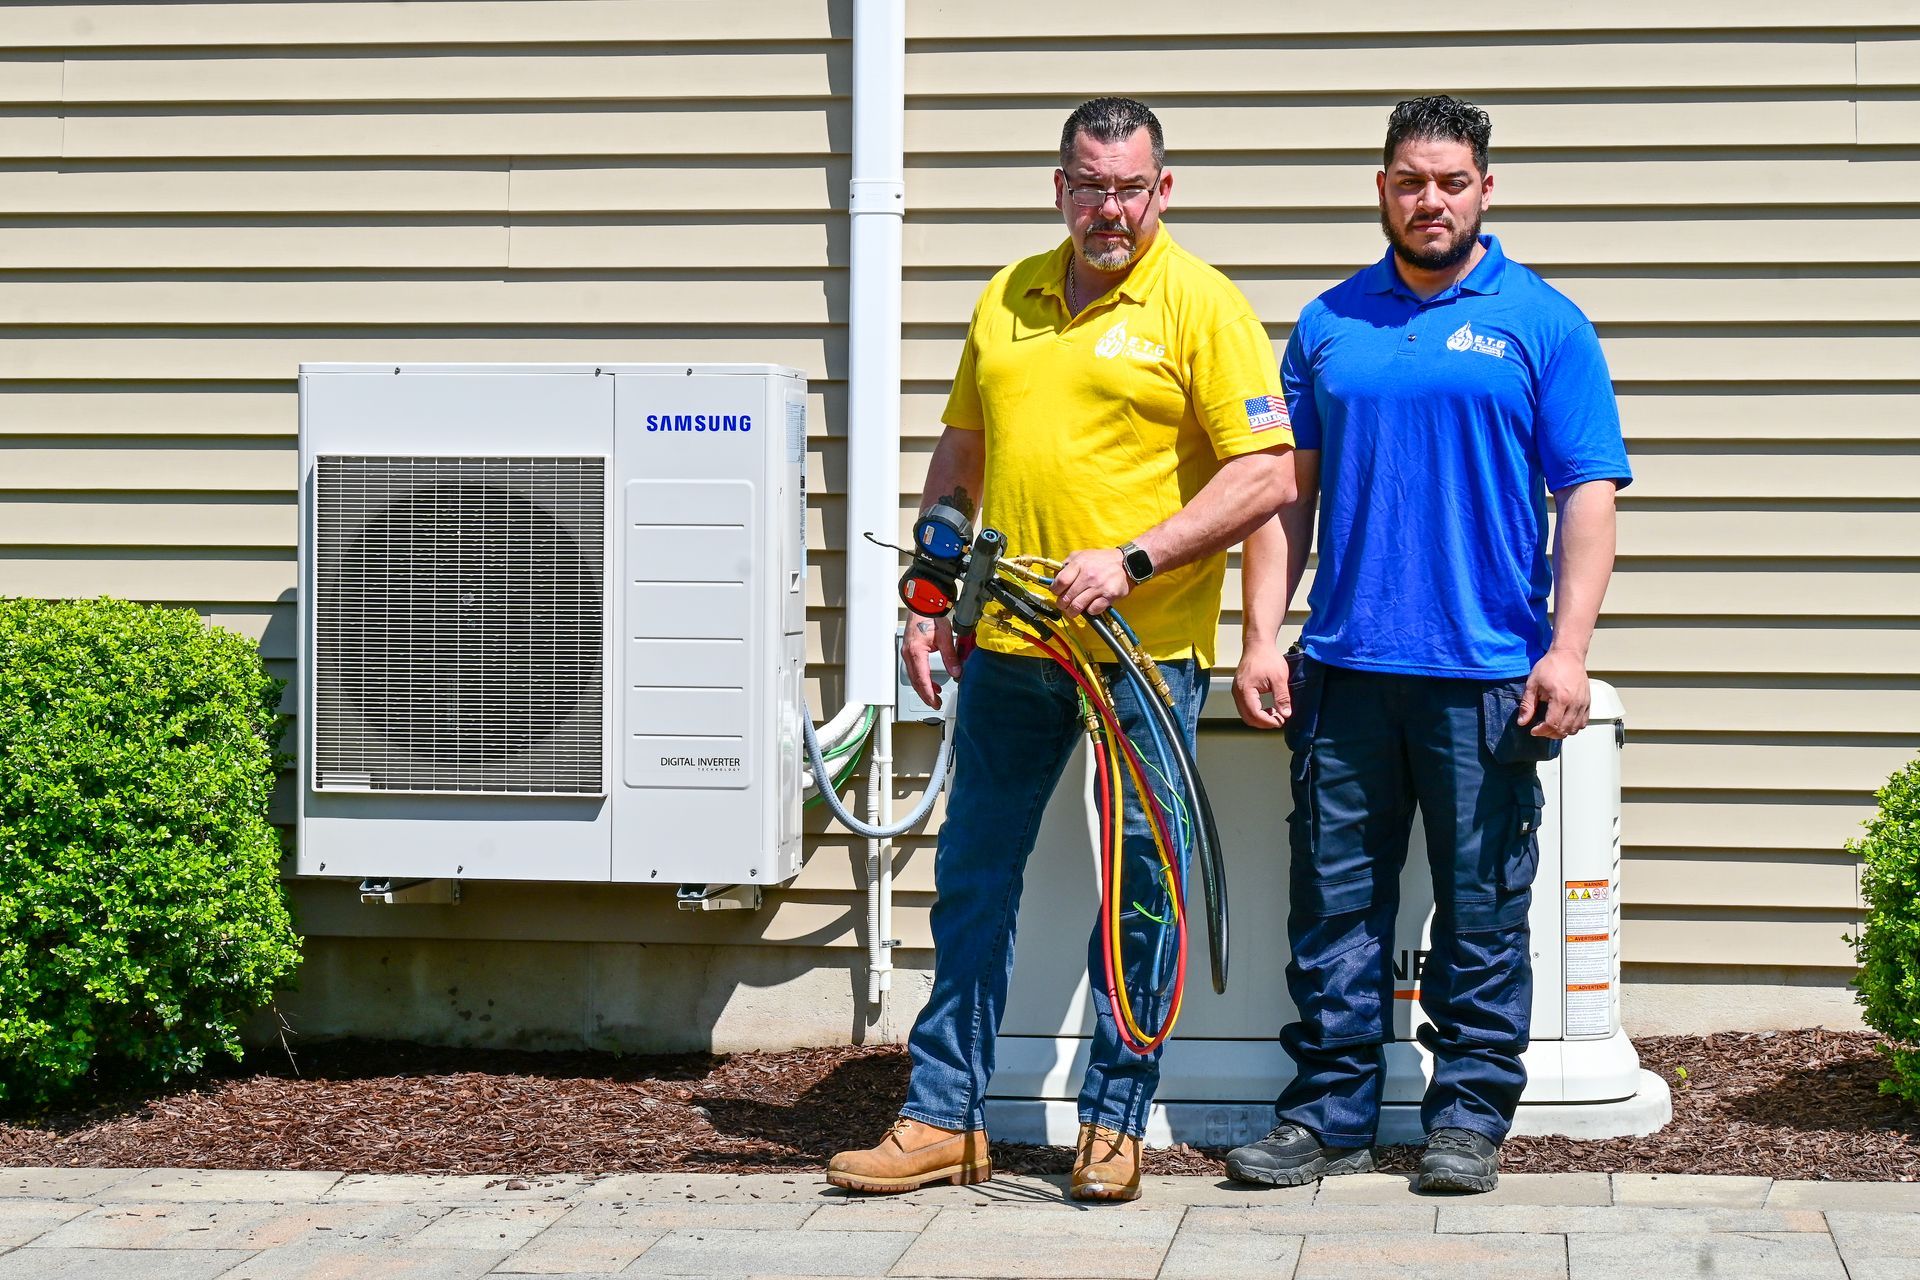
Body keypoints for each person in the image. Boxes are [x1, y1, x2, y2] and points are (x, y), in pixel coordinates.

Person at [826, 97, 1295, 1203]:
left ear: (1162, 191)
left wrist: (1130, 560)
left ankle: (1114, 1120)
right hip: (1010, 647)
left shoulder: (1202, 306)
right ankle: (944, 1113)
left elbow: (1266, 474)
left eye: (1130, 187)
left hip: (1143, 653)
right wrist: (930, 597)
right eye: (1089, 185)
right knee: (973, 877)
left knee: (1142, 890)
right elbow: (962, 452)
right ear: (1059, 188)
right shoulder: (1009, 296)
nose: (1110, 209)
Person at [1223, 95, 1631, 1194]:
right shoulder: (1329, 324)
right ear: (1382, 190)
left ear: (1486, 190)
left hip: (1489, 673)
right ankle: (1327, 1115)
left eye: (1451, 180)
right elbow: (1283, 496)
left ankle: (1467, 1115)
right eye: (1411, 180)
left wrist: (1569, 649)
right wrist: (1264, 634)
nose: (1431, 199)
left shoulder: (1544, 321)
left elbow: (1587, 491)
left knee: (1484, 906)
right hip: (1348, 668)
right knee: (1334, 906)